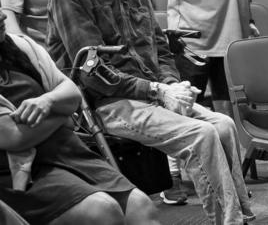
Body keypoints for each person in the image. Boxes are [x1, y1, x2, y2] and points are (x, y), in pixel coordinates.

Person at [47, 0, 254, 225]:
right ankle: (229, 221)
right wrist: (158, 89)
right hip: (106, 103)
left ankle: (239, 215)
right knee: (201, 134)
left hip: (150, 95)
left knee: (223, 125)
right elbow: (92, 71)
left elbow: (162, 50)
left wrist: (172, 85)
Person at [0, 13, 159, 225]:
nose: (2, 15)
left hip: (67, 151)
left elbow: (72, 93)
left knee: (141, 206)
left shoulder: (21, 46)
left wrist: (49, 101)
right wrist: (64, 114)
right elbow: (13, 137)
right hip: (18, 173)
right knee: (102, 211)